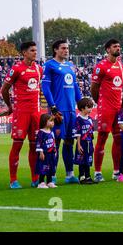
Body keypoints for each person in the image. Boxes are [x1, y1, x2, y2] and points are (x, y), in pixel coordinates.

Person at [1, 41, 42, 189]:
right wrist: (10, 107)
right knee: (17, 145)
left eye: (35, 50)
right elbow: (4, 89)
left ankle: (35, 178)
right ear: (24, 53)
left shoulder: (39, 69)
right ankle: (13, 180)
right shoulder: (16, 69)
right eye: (32, 50)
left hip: (35, 113)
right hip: (21, 113)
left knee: (34, 146)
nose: (35, 53)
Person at [42, 40, 82, 184]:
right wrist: (53, 107)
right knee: (55, 143)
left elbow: (75, 86)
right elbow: (45, 88)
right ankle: (51, 175)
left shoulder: (70, 65)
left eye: (67, 48)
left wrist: (81, 103)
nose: (66, 51)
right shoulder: (49, 65)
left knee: (70, 142)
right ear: (55, 50)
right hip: (58, 110)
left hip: (71, 110)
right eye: (63, 48)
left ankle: (69, 174)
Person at [91, 39, 123, 182]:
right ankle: (97, 172)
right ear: (107, 50)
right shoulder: (101, 66)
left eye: (119, 46)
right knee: (102, 138)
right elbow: (94, 87)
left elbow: (121, 87)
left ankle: (116, 171)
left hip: (118, 108)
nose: (118, 48)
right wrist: (99, 102)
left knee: (118, 139)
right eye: (115, 46)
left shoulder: (122, 67)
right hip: (105, 108)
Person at [73, 97, 96, 184]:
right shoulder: (78, 119)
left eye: (91, 107)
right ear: (82, 108)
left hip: (89, 143)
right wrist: (78, 145)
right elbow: (78, 134)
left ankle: (88, 176)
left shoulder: (89, 119)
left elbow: (91, 132)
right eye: (88, 107)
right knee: (82, 160)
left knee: (88, 160)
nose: (90, 109)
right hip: (82, 143)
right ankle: (81, 177)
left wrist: (92, 144)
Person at [35, 114, 57, 189]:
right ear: (44, 122)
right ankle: (41, 182)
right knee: (43, 168)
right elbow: (39, 143)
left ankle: (49, 181)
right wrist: (41, 152)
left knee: (51, 168)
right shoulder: (41, 132)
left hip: (51, 154)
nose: (52, 122)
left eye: (53, 121)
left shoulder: (51, 132)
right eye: (50, 121)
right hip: (45, 154)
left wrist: (55, 151)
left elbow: (53, 142)